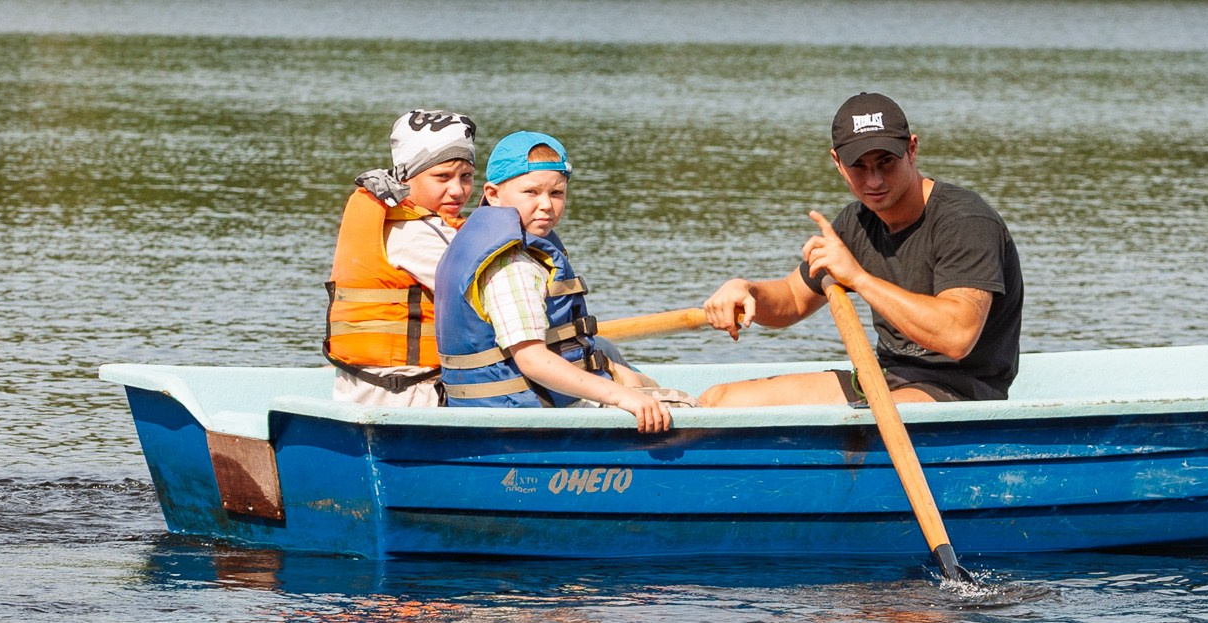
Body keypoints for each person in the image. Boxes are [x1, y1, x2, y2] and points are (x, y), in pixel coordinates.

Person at [696, 93, 1025, 407]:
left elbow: (957, 335)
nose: (874, 181)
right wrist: (745, 289)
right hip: (883, 378)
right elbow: (792, 300)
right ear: (838, 162)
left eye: (886, 162)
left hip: (960, 390)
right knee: (717, 400)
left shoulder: (966, 220)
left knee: (861, 426)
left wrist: (858, 277)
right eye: (859, 166)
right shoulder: (856, 222)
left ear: (912, 149)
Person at [433, 131, 674, 431]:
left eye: (556, 193)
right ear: (493, 194)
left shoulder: (497, 245)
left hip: (520, 405)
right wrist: (623, 397)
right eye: (531, 193)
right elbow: (533, 361)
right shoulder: (512, 268)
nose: (546, 205)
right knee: (693, 406)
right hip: (521, 418)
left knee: (623, 366)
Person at [326, 111, 476, 408]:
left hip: (386, 388)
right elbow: (488, 299)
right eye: (442, 177)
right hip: (405, 394)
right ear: (405, 177)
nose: (457, 190)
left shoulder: (421, 221)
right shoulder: (411, 232)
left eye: (467, 176)